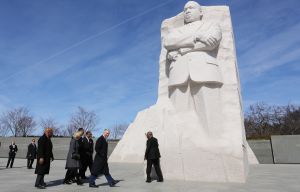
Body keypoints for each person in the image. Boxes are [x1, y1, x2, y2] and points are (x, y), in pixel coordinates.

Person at [163, 1, 223, 136]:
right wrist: (197, 36)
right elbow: (168, 42)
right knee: (176, 119)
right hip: (178, 73)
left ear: (200, 12)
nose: (187, 11)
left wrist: (180, 49)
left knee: (210, 116)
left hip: (205, 71)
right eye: (185, 9)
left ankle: (214, 143)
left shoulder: (211, 25)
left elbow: (211, 44)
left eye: (191, 8)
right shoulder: (176, 31)